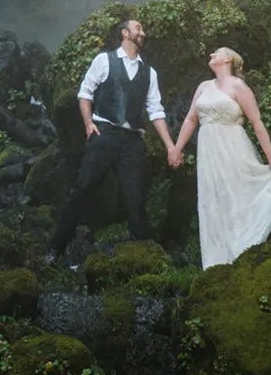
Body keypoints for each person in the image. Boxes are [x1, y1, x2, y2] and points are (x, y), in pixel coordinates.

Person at [48, 18, 175, 259]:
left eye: (142, 28)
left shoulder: (150, 73)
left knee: (135, 196)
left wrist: (170, 146)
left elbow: (156, 111)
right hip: (104, 134)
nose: (143, 32)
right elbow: (85, 93)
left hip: (132, 141)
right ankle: (56, 247)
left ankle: (142, 254)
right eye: (138, 28)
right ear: (125, 33)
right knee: (83, 188)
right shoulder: (104, 60)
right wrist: (88, 123)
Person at [169, 45, 271, 269]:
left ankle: (240, 251)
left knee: (235, 195)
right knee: (212, 200)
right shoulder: (203, 87)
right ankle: (216, 262)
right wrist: (177, 149)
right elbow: (191, 119)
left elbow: (256, 122)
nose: (211, 55)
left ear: (228, 58)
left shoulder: (239, 86)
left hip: (233, 146)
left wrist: (270, 155)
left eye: (216, 52)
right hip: (208, 150)